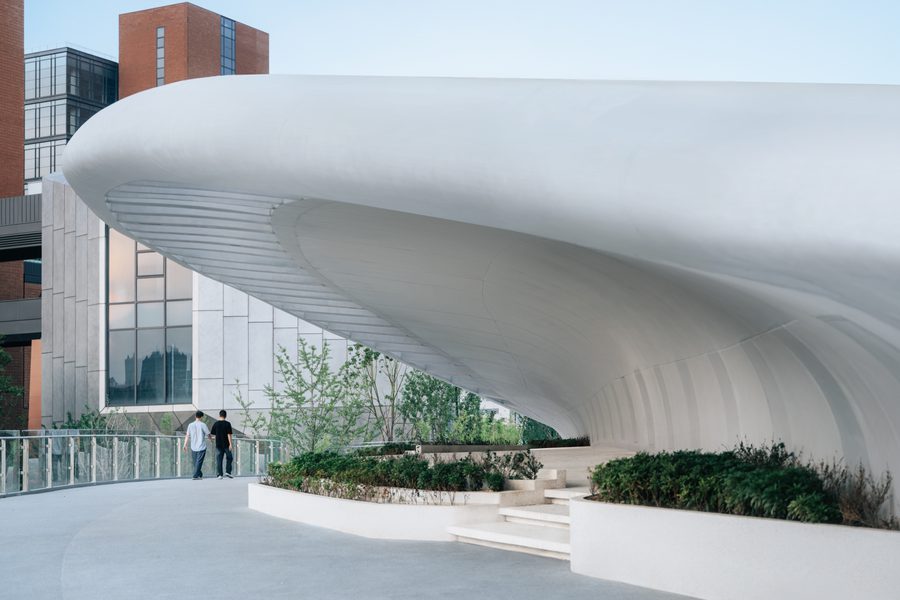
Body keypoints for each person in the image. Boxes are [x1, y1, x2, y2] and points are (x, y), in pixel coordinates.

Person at [183, 411, 210, 480]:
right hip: (201, 446)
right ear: (201, 417)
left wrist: (185, 444)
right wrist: (211, 439)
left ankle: (199, 474)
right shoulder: (203, 425)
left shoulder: (190, 425)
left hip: (193, 446)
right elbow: (208, 434)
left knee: (196, 462)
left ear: (195, 416)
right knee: (198, 462)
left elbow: (187, 435)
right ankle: (195, 476)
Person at [210, 409, 234, 479]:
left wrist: (216, 438)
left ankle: (219, 474)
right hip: (226, 444)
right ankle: (228, 472)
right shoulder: (227, 424)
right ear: (225, 416)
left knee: (219, 459)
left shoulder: (216, 424)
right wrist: (231, 444)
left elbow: (213, 435)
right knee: (229, 458)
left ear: (219, 415)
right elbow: (229, 435)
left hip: (218, 445)